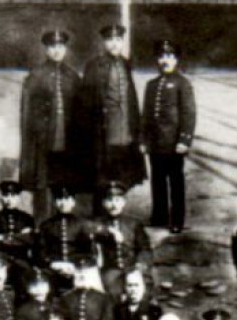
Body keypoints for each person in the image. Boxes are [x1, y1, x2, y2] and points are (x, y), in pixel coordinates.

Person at [75, 24, 146, 209]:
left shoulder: (125, 64)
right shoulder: (94, 66)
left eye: (117, 40)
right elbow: (84, 103)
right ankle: (100, 219)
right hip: (104, 134)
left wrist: (137, 132)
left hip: (125, 133)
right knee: (101, 180)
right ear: (104, 43)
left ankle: (117, 217)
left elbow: (132, 100)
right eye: (110, 40)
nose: (114, 44)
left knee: (122, 179)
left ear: (122, 42)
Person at [18, 30, 81, 221]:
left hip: (68, 140)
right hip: (44, 141)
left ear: (66, 49)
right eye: (52, 46)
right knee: (43, 184)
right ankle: (42, 224)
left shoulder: (73, 76)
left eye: (60, 46)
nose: (57, 50)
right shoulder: (36, 76)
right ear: (46, 49)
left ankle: (64, 225)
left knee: (65, 181)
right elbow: (27, 113)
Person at [141, 40, 197, 233]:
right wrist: (144, 140)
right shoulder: (151, 85)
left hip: (174, 144)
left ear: (176, 60)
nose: (165, 60)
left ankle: (177, 220)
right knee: (157, 181)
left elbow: (189, 113)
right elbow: (146, 116)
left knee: (175, 182)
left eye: (169, 56)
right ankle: (159, 217)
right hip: (155, 144)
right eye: (161, 56)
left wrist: (184, 140)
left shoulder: (183, 83)